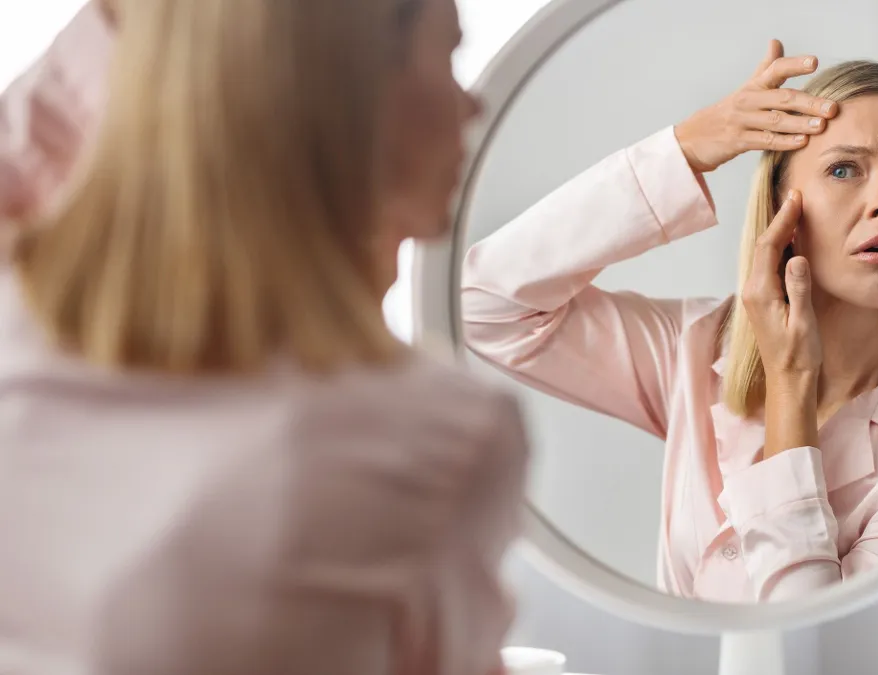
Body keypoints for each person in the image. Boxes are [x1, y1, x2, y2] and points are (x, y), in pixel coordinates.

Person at [0, 1, 527, 674]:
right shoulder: (434, 437)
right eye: (449, 55)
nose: (473, 105)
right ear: (349, 85)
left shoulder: (17, 337)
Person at [461, 43, 878, 604]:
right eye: (844, 169)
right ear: (781, 208)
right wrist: (686, 149)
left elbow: (810, 633)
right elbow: (480, 304)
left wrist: (791, 385)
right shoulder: (694, 347)